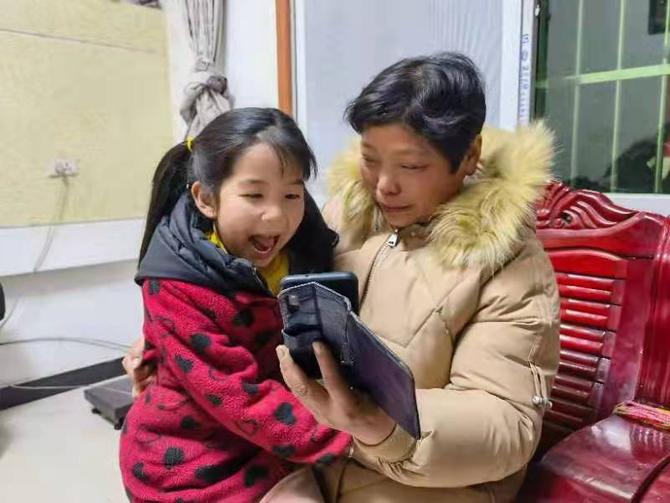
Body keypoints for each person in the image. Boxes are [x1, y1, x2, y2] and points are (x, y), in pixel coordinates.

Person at [127, 53, 561, 502]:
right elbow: (235, 296)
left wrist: (376, 427)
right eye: (371, 159)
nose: (384, 185)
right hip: (290, 460)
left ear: (469, 156)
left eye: (411, 166)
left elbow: (507, 427)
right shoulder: (340, 218)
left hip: (410, 485)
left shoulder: (509, 265)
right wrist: (165, 340)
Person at [120, 107, 392, 503]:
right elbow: (238, 395)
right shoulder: (176, 284)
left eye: (291, 194)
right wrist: (359, 438)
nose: (277, 215)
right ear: (206, 199)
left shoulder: (308, 248)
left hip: (275, 438)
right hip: (187, 458)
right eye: (253, 195)